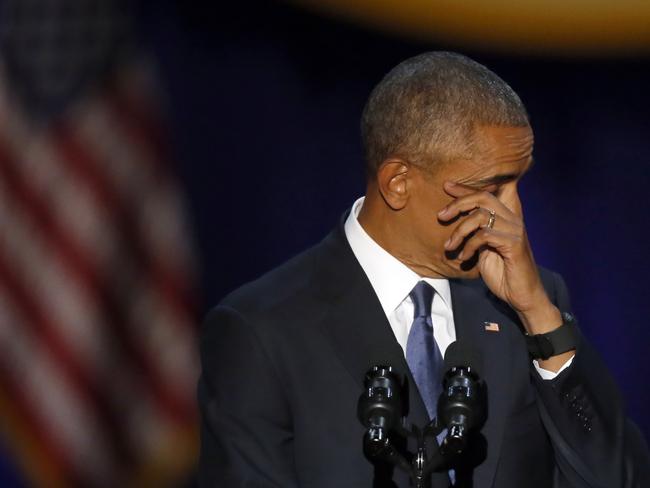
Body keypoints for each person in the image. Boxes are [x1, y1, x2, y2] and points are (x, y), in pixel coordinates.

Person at [198, 52, 649, 487]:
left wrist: (539, 317)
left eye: (518, 183)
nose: (513, 214)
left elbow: (619, 478)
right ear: (398, 184)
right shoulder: (262, 332)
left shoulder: (531, 307)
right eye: (490, 187)